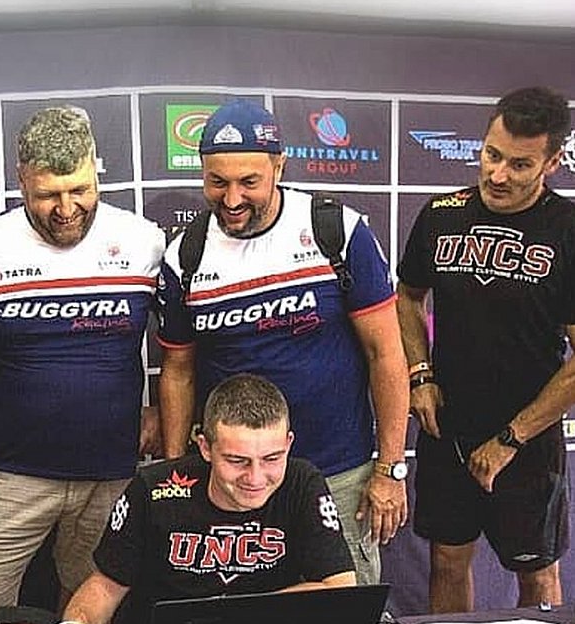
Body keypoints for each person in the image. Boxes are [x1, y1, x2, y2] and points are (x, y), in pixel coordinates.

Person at [155, 98, 409, 583]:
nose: (232, 199)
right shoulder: (184, 255)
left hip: (337, 472)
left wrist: (390, 468)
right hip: (232, 482)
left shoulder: (335, 231)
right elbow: (178, 373)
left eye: (248, 182)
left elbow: (386, 354)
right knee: (240, 616)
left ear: (279, 166)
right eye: (217, 182)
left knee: (340, 616)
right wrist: (173, 476)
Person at [0, 105, 166, 610]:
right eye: (48, 195)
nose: (66, 209)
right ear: (22, 181)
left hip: (111, 473)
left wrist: (165, 411)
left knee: (91, 620)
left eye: (80, 190)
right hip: (6, 472)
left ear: (96, 170)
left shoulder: (144, 241)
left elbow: (184, 341)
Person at [397, 87, 575, 611]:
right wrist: (421, 374)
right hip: (447, 426)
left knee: (538, 576)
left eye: (520, 165)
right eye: (492, 155)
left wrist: (511, 437)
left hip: (528, 440)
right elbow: (407, 297)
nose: (498, 175)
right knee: (447, 562)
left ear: (552, 162)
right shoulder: (441, 215)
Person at [42, 374, 356, 624]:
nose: (256, 478)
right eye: (237, 461)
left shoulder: (303, 483)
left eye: (272, 458)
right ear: (205, 447)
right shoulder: (154, 488)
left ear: (289, 444)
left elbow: (339, 588)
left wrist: (233, 619)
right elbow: (106, 584)